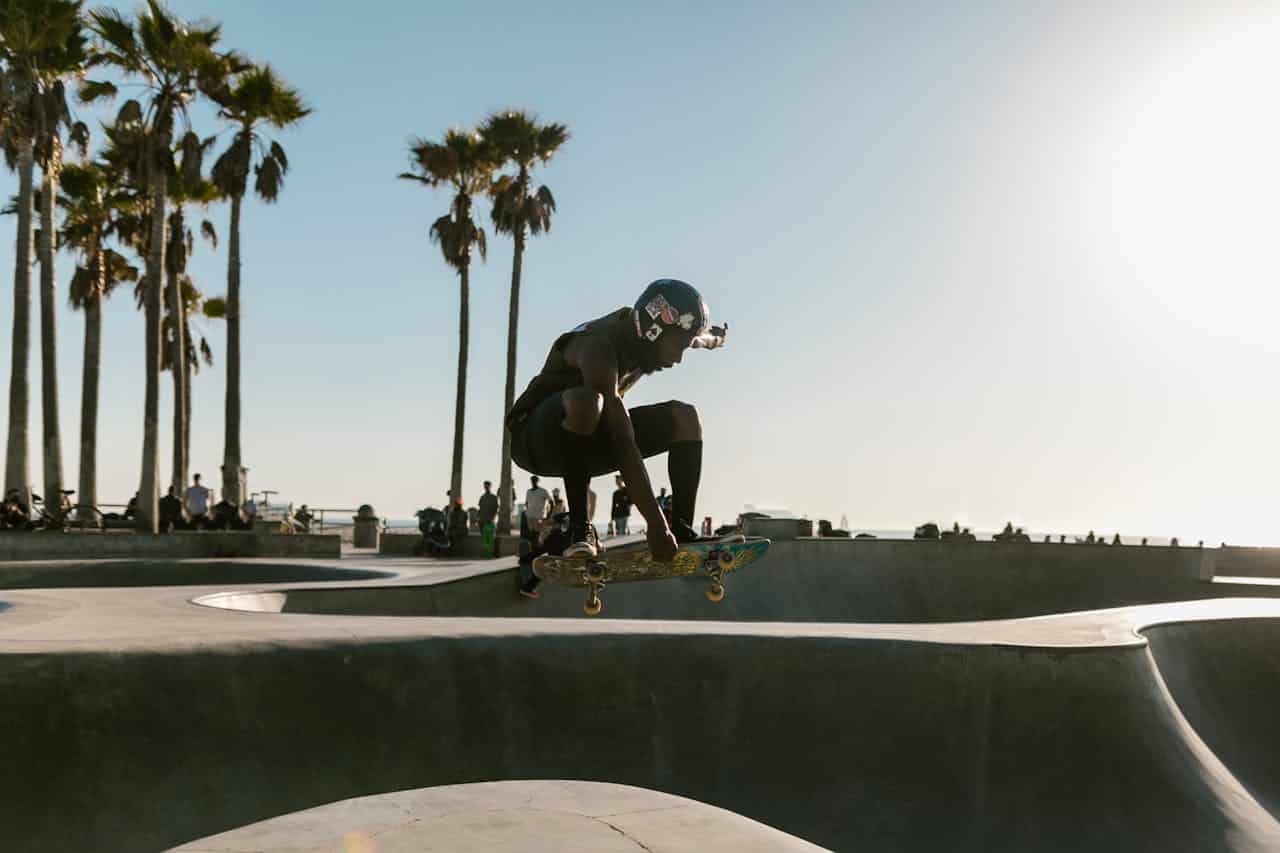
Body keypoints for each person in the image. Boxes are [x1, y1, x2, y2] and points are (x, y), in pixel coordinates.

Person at [505, 278, 728, 596]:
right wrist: (653, 522)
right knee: (588, 401)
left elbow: (696, 339)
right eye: (677, 348)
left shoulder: (653, 331)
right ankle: (580, 531)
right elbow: (623, 442)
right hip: (535, 437)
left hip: (587, 440)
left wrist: (714, 339)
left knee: (685, 418)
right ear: (655, 332)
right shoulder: (598, 347)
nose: (678, 359)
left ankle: (682, 528)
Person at [522, 476, 551, 545]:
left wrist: (549, 514)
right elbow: (526, 502)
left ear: (537, 481)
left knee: (537, 533)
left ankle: (536, 547)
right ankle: (533, 547)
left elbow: (551, 502)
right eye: (532, 480)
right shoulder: (528, 491)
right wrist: (527, 510)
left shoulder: (543, 491)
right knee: (531, 533)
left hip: (538, 515)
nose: (533, 482)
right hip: (530, 515)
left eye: (535, 480)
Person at [477, 481, 499, 557]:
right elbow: (480, 508)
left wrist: (492, 518)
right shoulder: (482, 497)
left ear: (490, 486)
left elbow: (496, 509)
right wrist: (478, 518)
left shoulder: (494, 497)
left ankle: (490, 553)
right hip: (482, 520)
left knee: (490, 538)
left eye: (487, 486)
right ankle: (486, 553)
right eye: (485, 486)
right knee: (484, 539)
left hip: (489, 520)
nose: (486, 487)